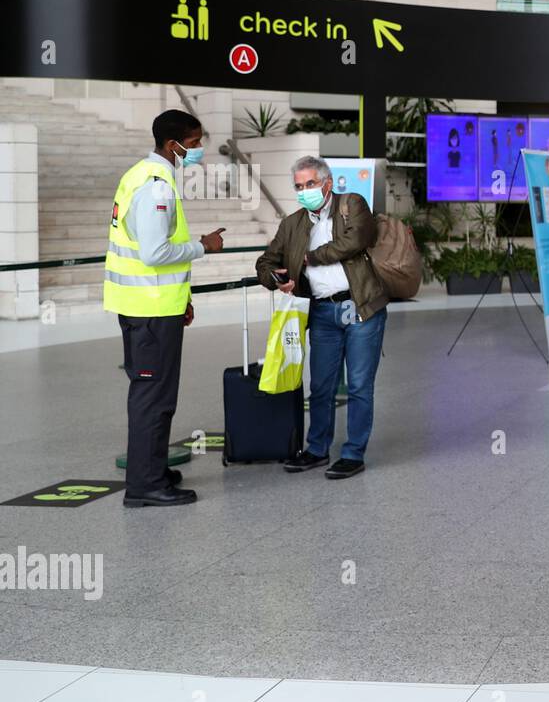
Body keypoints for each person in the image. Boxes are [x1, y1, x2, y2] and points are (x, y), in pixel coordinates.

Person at [105, 110, 225, 508]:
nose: (198, 151)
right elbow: (156, 253)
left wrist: (182, 299)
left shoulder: (137, 174)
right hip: (150, 310)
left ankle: (152, 470)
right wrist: (203, 247)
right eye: (193, 144)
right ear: (173, 145)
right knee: (153, 397)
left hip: (150, 305)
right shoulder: (156, 187)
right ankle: (144, 486)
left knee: (151, 393)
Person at [255, 157, 388, 480]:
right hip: (323, 311)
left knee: (358, 385)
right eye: (299, 187)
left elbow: (355, 241)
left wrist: (308, 257)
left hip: (360, 307)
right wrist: (274, 278)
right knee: (321, 386)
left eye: (310, 185)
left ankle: (353, 453)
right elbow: (265, 261)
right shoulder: (292, 224)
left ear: (327, 184)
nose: (304, 192)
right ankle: (317, 449)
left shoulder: (351, 204)